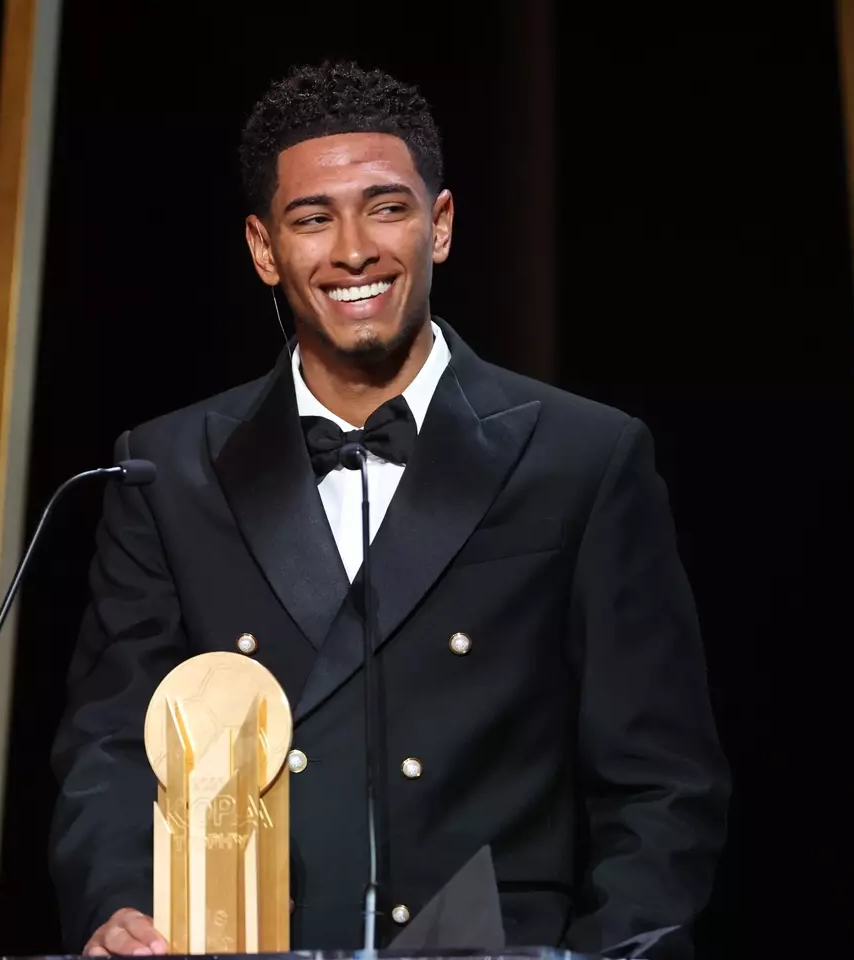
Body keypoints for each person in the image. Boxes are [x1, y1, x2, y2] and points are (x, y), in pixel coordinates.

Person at [50, 61, 729, 959]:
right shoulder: (165, 470)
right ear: (263, 249)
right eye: (312, 219)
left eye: (387, 207)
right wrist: (116, 909)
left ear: (439, 225)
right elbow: (109, 747)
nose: (354, 251)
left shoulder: (584, 458)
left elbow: (661, 783)